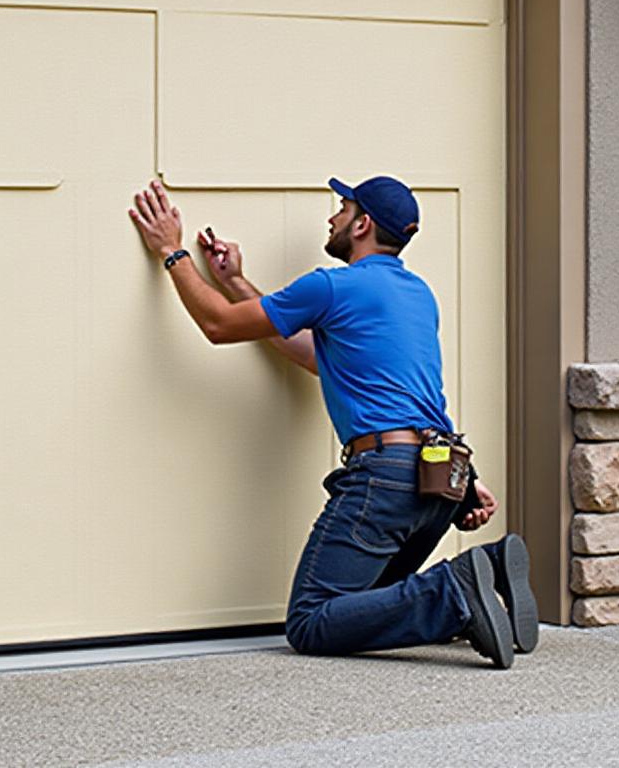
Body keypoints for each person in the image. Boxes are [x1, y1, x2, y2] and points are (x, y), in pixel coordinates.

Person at [127, 174, 536, 669]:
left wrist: (173, 252)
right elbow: (322, 359)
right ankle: (488, 571)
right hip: (436, 484)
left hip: (384, 479)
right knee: (364, 606)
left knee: (312, 620)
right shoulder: (416, 293)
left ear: (362, 223)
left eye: (341, 208)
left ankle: (455, 594)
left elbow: (218, 326)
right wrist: (235, 281)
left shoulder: (333, 285)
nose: (331, 217)